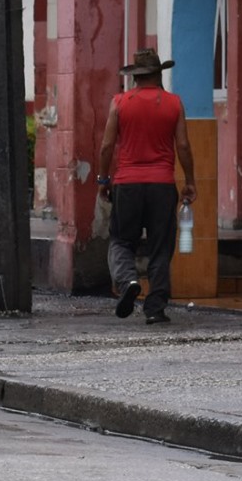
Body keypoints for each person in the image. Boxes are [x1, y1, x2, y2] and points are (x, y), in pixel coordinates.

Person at [96, 48, 195, 326]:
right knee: (160, 247)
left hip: (127, 184)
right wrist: (190, 181)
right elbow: (184, 146)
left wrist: (104, 181)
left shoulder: (120, 102)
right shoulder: (175, 103)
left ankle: (128, 280)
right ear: (158, 74)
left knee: (120, 240)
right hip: (162, 185)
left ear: (135, 77)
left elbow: (106, 146)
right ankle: (155, 309)